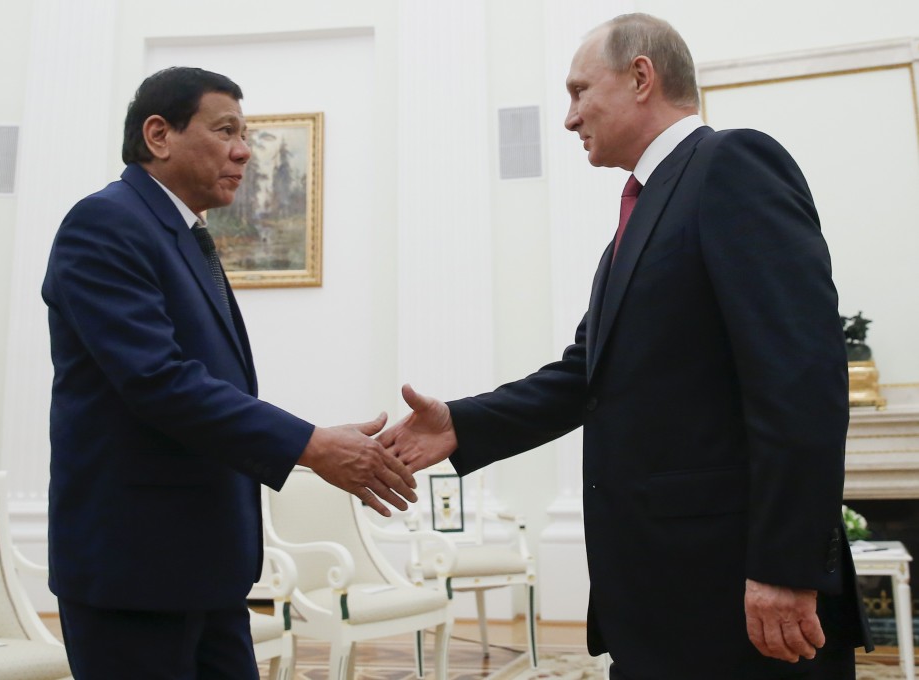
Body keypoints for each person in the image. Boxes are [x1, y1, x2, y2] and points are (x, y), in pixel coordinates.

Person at [379, 13, 872, 680]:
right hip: (662, 594)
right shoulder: (637, 219)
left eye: (581, 91)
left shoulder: (731, 164)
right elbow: (589, 374)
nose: (569, 117)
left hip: (738, 591)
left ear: (642, 76)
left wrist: (785, 567)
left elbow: (800, 379)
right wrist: (462, 424)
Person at [42, 66, 416, 679]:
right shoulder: (104, 223)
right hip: (135, 569)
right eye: (226, 131)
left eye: (245, 134)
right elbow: (158, 381)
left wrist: (310, 444)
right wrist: (312, 445)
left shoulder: (183, 234)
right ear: (159, 135)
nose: (244, 150)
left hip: (204, 566)